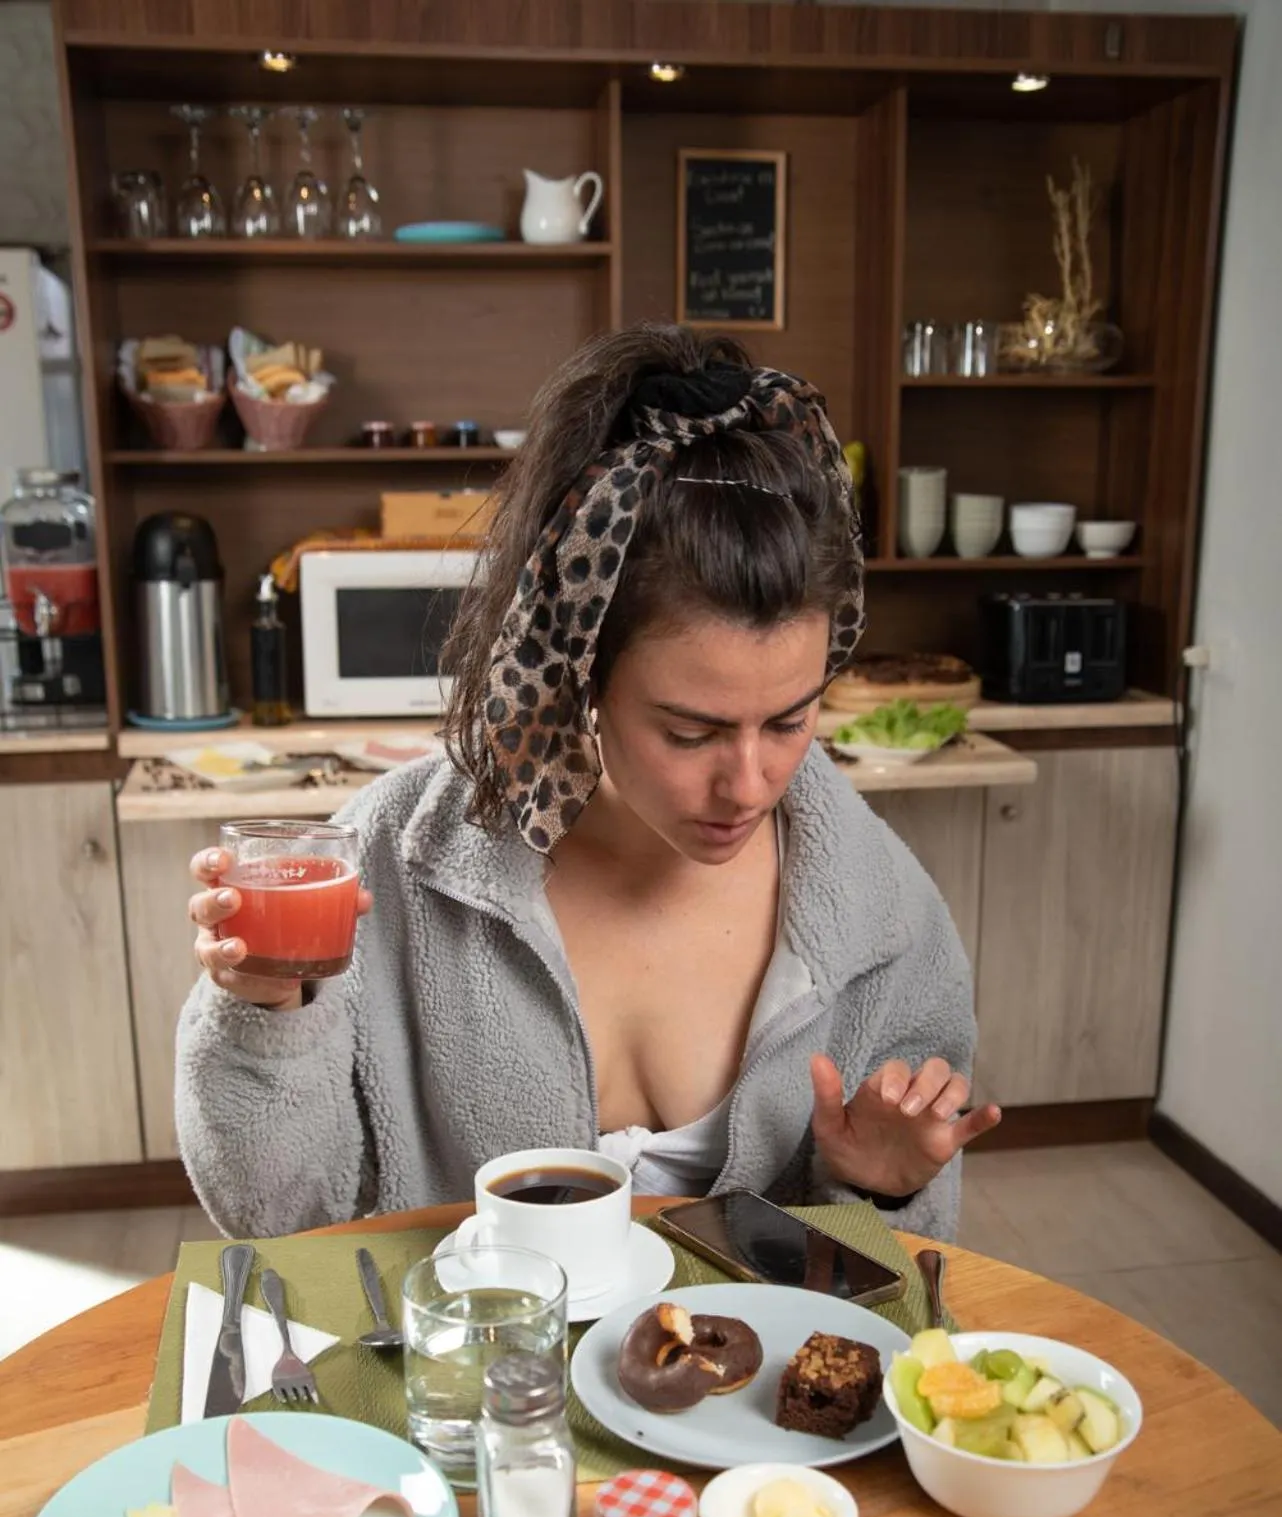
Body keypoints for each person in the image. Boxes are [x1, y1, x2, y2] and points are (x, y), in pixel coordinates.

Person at [177, 323, 1000, 1241]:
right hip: (469, 1340)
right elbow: (279, 1217)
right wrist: (265, 1014)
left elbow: (893, 1279)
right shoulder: (392, 866)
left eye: (790, 720)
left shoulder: (883, 918)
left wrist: (873, 1191)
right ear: (580, 673)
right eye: (690, 732)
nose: (749, 783)